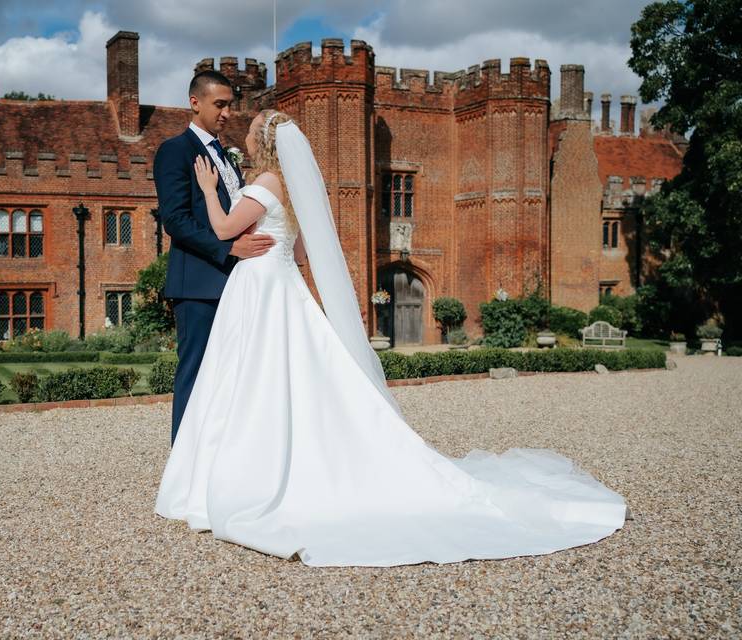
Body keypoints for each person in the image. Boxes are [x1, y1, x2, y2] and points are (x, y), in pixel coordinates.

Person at [154, 109, 628, 567]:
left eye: (254, 131)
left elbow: (220, 228)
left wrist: (209, 189)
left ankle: (239, 472)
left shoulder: (263, 183)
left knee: (246, 376)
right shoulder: (294, 191)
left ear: (266, 142)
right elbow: (300, 252)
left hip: (256, 285)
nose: (247, 135)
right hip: (281, 283)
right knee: (287, 374)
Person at [153, 70, 276, 446]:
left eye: (229, 105)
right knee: (195, 372)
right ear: (195, 102)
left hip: (236, 283)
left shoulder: (228, 154)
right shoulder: (175, 150)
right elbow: (175, 220)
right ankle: (183, 463)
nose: (226, 113)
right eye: (219, 105)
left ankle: (219, 456)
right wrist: (228, 248)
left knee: (232, 374)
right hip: (198, 285)